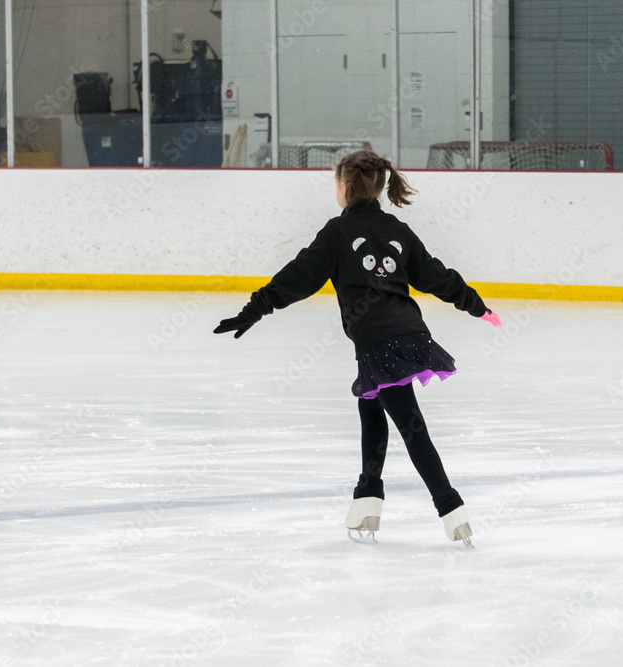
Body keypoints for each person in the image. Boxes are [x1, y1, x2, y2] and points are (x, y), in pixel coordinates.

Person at [214, 150, 500, 546]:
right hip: (409, 333)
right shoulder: (397, 229)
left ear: (345, 187)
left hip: (381, 343)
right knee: (371, 408)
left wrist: (253, 310)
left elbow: (297, 277)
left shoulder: (336, 233)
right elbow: (437, 276)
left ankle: (452, 510)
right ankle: (367, 499)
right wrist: (475, 304)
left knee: (411, 427)